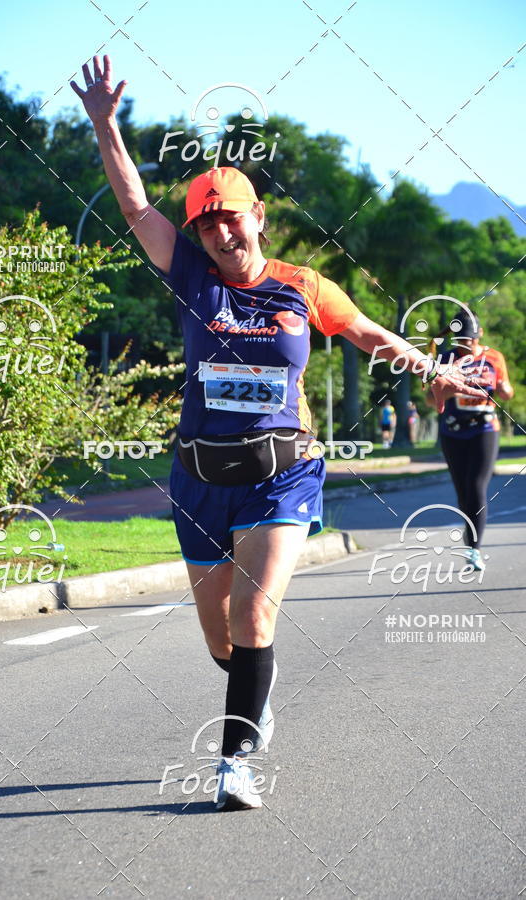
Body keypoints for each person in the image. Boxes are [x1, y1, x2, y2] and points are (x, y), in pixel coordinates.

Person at [71, 56, 482, 811]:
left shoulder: (302, 286)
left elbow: (364, 332)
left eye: (233, 214)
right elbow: (134, 207)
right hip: (199, 478)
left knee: (252, 615)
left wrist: (430, 366)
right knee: (223, 642)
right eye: (207, 220)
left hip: (280, 471)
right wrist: (105, 125)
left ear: (258, 216)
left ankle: (234, 763)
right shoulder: (192, 276)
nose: (222, 229)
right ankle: (254, 686)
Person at [426, 308, 513, 571]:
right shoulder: (445, 359)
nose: (469, 345)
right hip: (453, 431)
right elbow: (431, 400)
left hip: (485, 428)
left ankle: (474, 549)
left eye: (472, 339)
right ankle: (470, 535)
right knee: (463, 493)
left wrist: (504, 390)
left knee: (476, 486)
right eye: (463, 340)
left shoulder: (495, 357)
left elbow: (507, 391)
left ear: (480, 334)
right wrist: (449, 391)